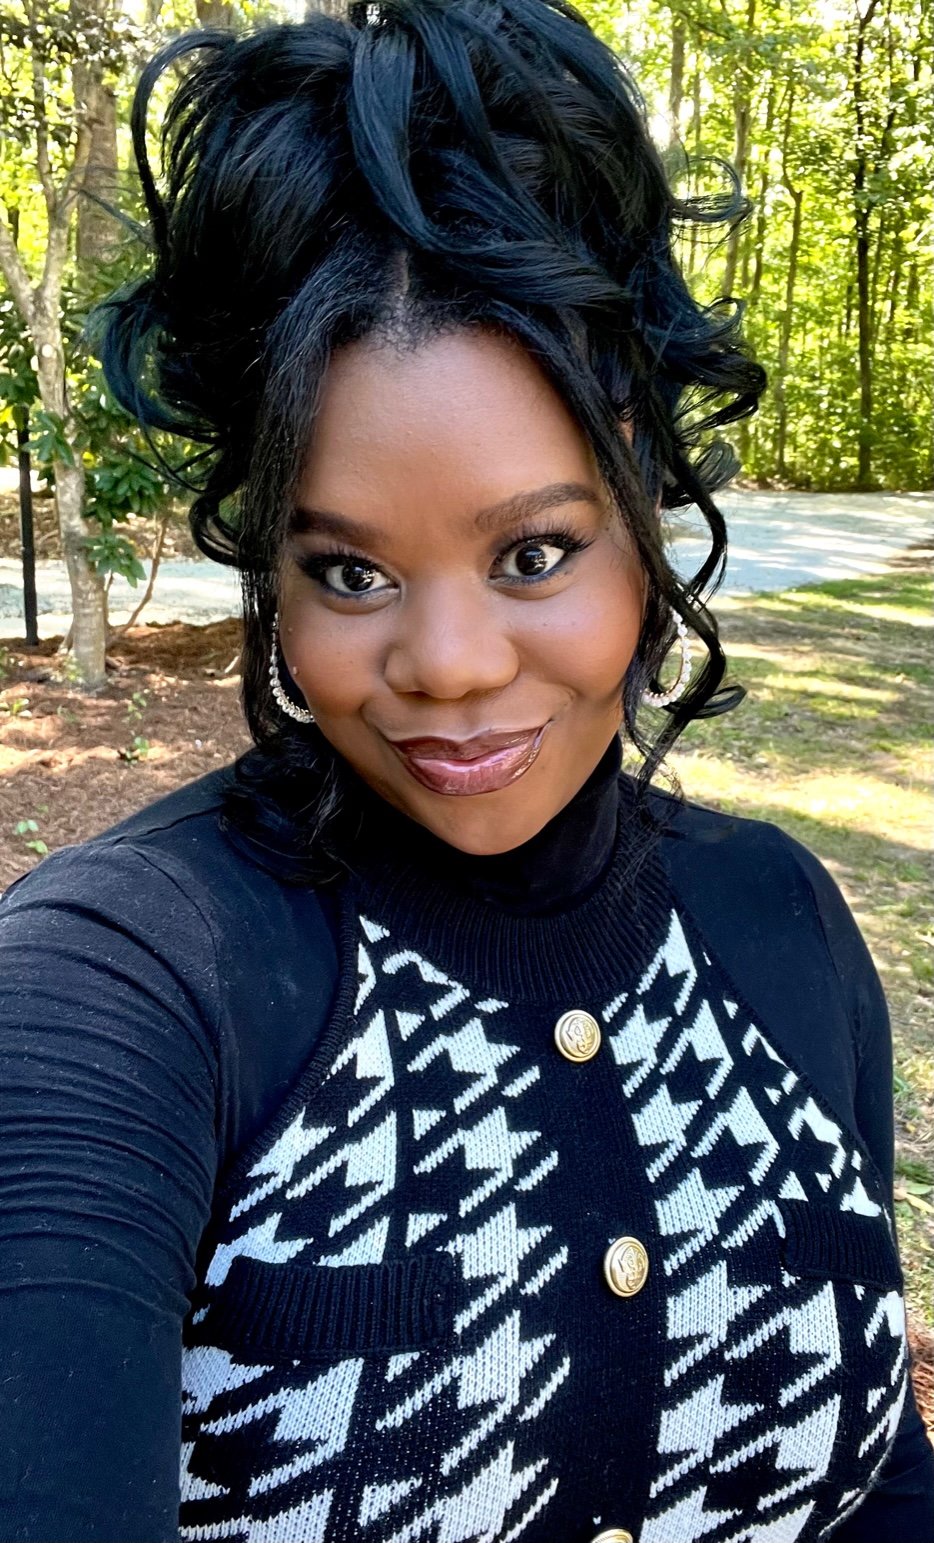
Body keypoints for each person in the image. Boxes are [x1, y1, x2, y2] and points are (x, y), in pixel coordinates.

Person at [1, 1, 931, 1539]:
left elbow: (878, 1480)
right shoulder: (121, 991)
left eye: (530, 550)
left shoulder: (784, 923)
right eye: (349, 574)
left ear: (645, 506)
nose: (443, 665)